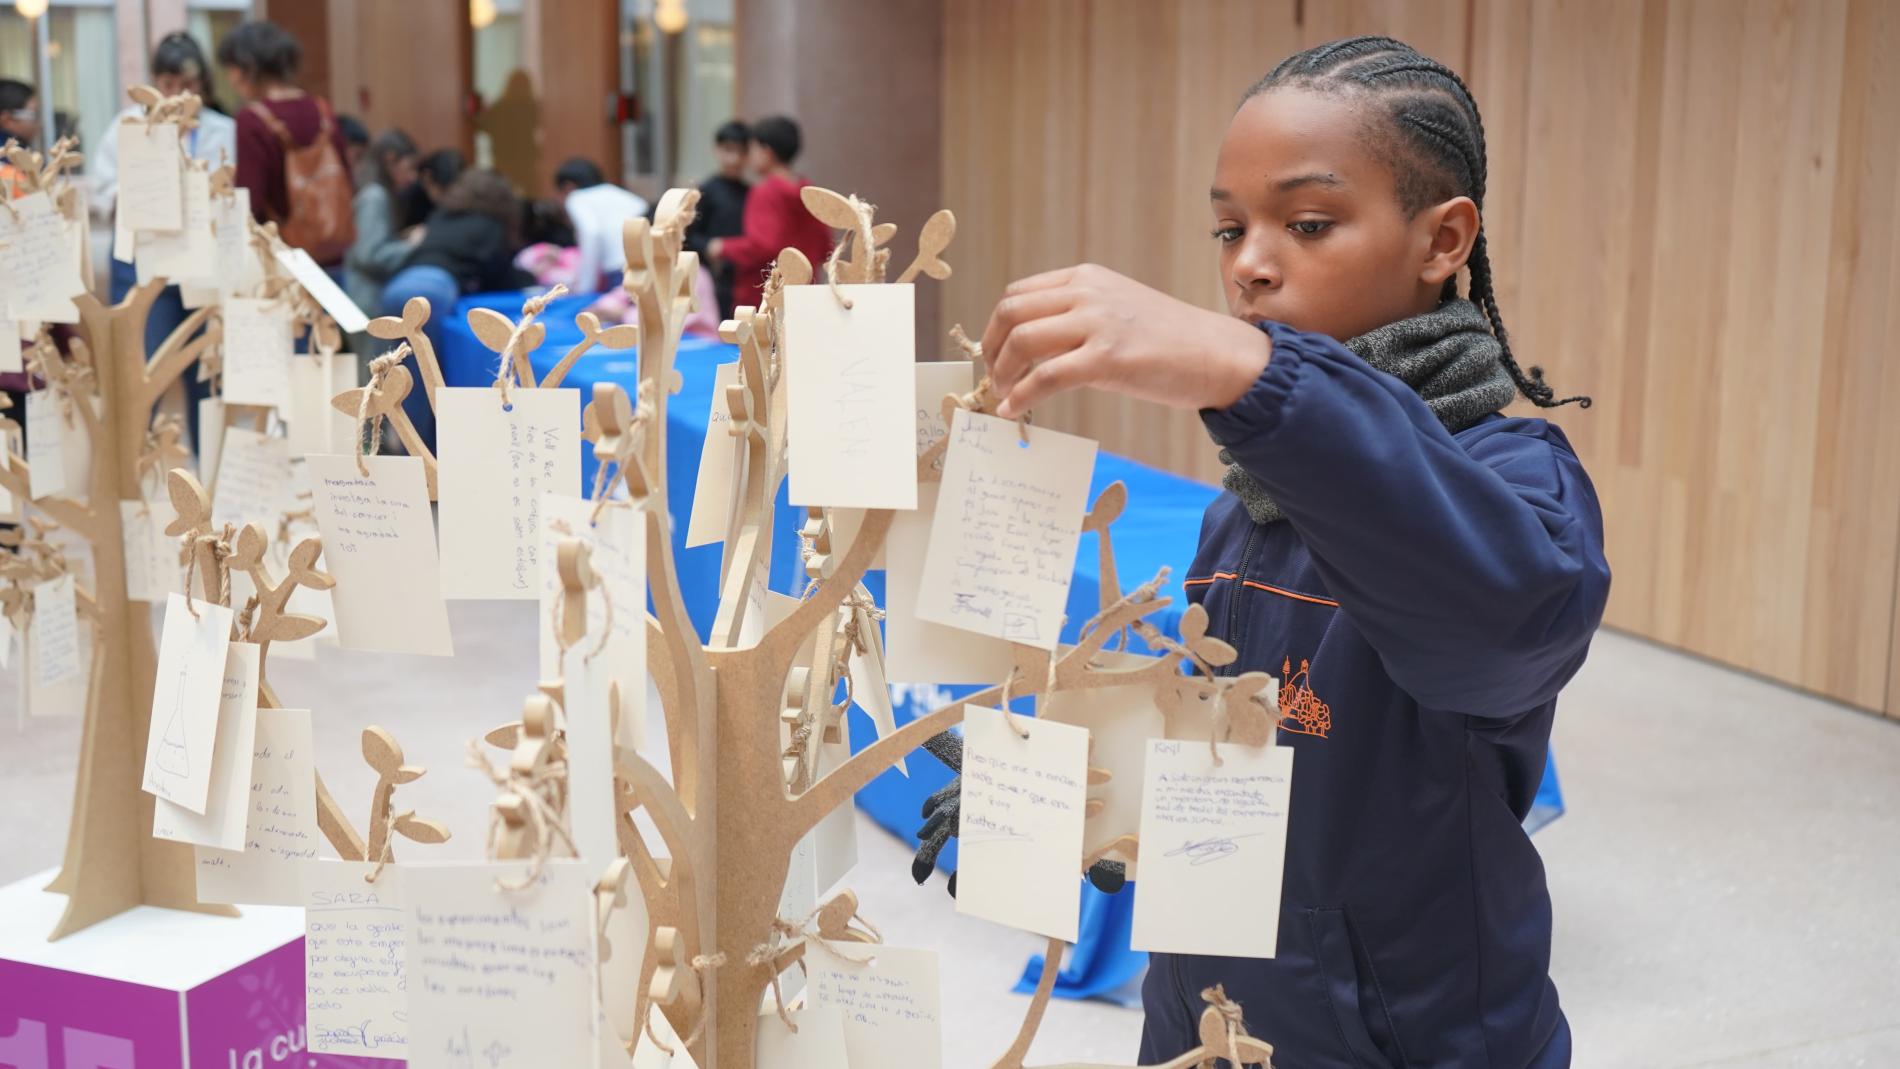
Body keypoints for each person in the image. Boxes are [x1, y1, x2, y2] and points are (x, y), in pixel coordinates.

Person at [916, 37, 1610, 1069]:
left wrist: (1257, 374)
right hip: (1205, 1016)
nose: (1249, 261)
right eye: (1228, 228)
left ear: (1442, 239)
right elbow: (1228, 749)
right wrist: (1061, 789)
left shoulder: (1515, 479)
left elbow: (1500, 628)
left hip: (1413, 1038)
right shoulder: (1242, 511)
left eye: (1309, 222)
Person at [91, 33, 238, 448]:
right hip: (144, 261)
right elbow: (105, 191)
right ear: (154, 81)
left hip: (201, 263)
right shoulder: (128, 124)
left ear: (203, 83)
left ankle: (207, 469)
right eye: (168, 83)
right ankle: (133, 469)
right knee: (142, 366)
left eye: (187, 84)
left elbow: (230, 192)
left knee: (203, 370)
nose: (177, 94)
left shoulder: (221, 128)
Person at [380, 168, 530, 450]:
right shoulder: (490, 224)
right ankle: (424, 456)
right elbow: (498, 274)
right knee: (427, 378)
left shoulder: (443, 215)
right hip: (433, 290)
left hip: (397, 285)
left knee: (398, 374)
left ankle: (398, 442)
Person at [217, 19, 355, 268]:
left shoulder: (252, 120)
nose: (230, 79)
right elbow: (347, 178)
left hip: (286, 259)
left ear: (247, 68)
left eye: (231, 69)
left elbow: (252, 202)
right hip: (332, 250)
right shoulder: (321, 110)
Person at [708, 116, 830, 309]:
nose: (750, 156)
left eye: (753, 149)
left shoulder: (765, 192)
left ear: (767, 152)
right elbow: (826, 246)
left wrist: (722, 247)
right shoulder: (810, 192)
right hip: (806, 294)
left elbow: (763, 245)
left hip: (764, 297)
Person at [346, 128, 418, 351]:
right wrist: (411, 245)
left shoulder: (373, 193)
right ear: (391, 160)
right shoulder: (375, 196)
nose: (412, 176)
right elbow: (369, 254)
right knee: (372, 378)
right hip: (367, 302)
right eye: (409, 167)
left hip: (367, 299)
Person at [683, 120, 750, 318]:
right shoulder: (704, 192)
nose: (734, 158)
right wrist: (709, 246)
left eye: (740, 151)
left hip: (743, 277)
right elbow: (686, 237)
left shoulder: (752, 193)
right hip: (711, 276)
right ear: (717, 150)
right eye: (728, 150)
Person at [553, 157, 649, 294]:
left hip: (620, 270)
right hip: (647, 264)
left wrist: (585, 289)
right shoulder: (621, 195)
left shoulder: (576, 198)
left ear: (568, 186)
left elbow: (591, 233)